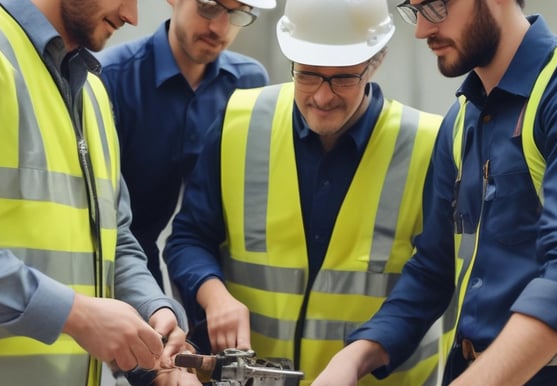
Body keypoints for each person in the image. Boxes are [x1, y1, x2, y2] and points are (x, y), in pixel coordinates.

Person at [0, 0, 195, 385]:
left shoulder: (93, 92)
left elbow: (115, 238)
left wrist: (153, 308)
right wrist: (77, 315)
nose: (132, 16)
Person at [312, 1, 557, 385]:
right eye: (413, 10)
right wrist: (354, 357)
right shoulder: (459, 120)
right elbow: (432, 270)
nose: (421, 30)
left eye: (435, 6)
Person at [163, 0, 444, 384]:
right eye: (308, 75)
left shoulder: (428, 145)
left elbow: (432, 279)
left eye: (343, 78)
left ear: (376, 62)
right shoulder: (239, 121)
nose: (323, 97)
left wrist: (359, 358)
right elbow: (189, 237)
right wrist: (214, 295)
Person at [95, 0, 274, 291]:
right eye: (208, 6)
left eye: (238, 13)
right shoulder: (108, 79)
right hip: (115, 264)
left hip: (209, 272)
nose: (220, 28)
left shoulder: (248, 85)